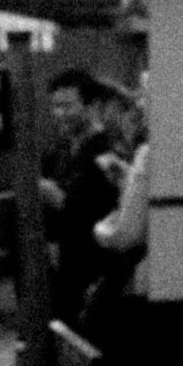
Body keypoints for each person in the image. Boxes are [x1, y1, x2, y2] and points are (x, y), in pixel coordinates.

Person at [41, 69, 119, 335]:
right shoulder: (60, 151)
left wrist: (56, 197)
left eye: (67, 106)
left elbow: (96, 211)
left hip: (93, 269)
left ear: (91, 106)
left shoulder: (106, 151)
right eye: (55, 106)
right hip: (62, 268)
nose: (59, 113)